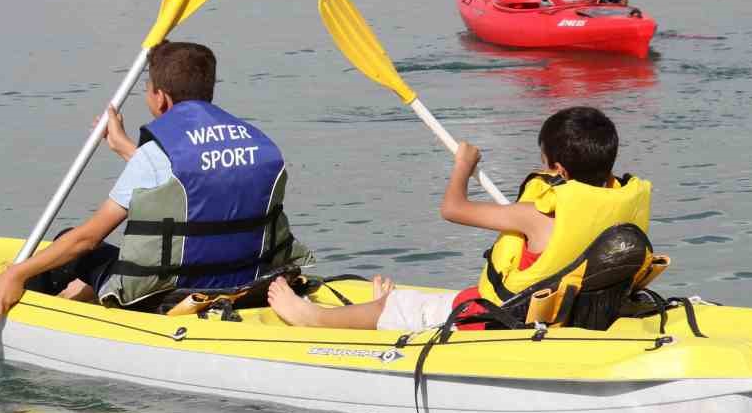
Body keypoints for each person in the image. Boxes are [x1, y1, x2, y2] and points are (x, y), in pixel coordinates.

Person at [0, 41, 314, 315]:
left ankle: (16, 297)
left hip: (170, 294)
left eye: (147, 90)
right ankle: (69, 298)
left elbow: (87, 239)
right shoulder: (256, 142)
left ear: (160, 98)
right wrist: (124, 146)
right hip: (248, 282)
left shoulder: (155, 156)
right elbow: (195, 183)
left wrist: (18, 273)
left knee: (70, 242)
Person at [267, 106, 651, 331]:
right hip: (566, 312)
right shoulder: (617, 203)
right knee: (409, 304)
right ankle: (383, 309)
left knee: (395, 309)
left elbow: (453, 209)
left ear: (559, 169)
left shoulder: (537, 216)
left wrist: (462, 167)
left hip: (503, 319)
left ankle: (311, 315)